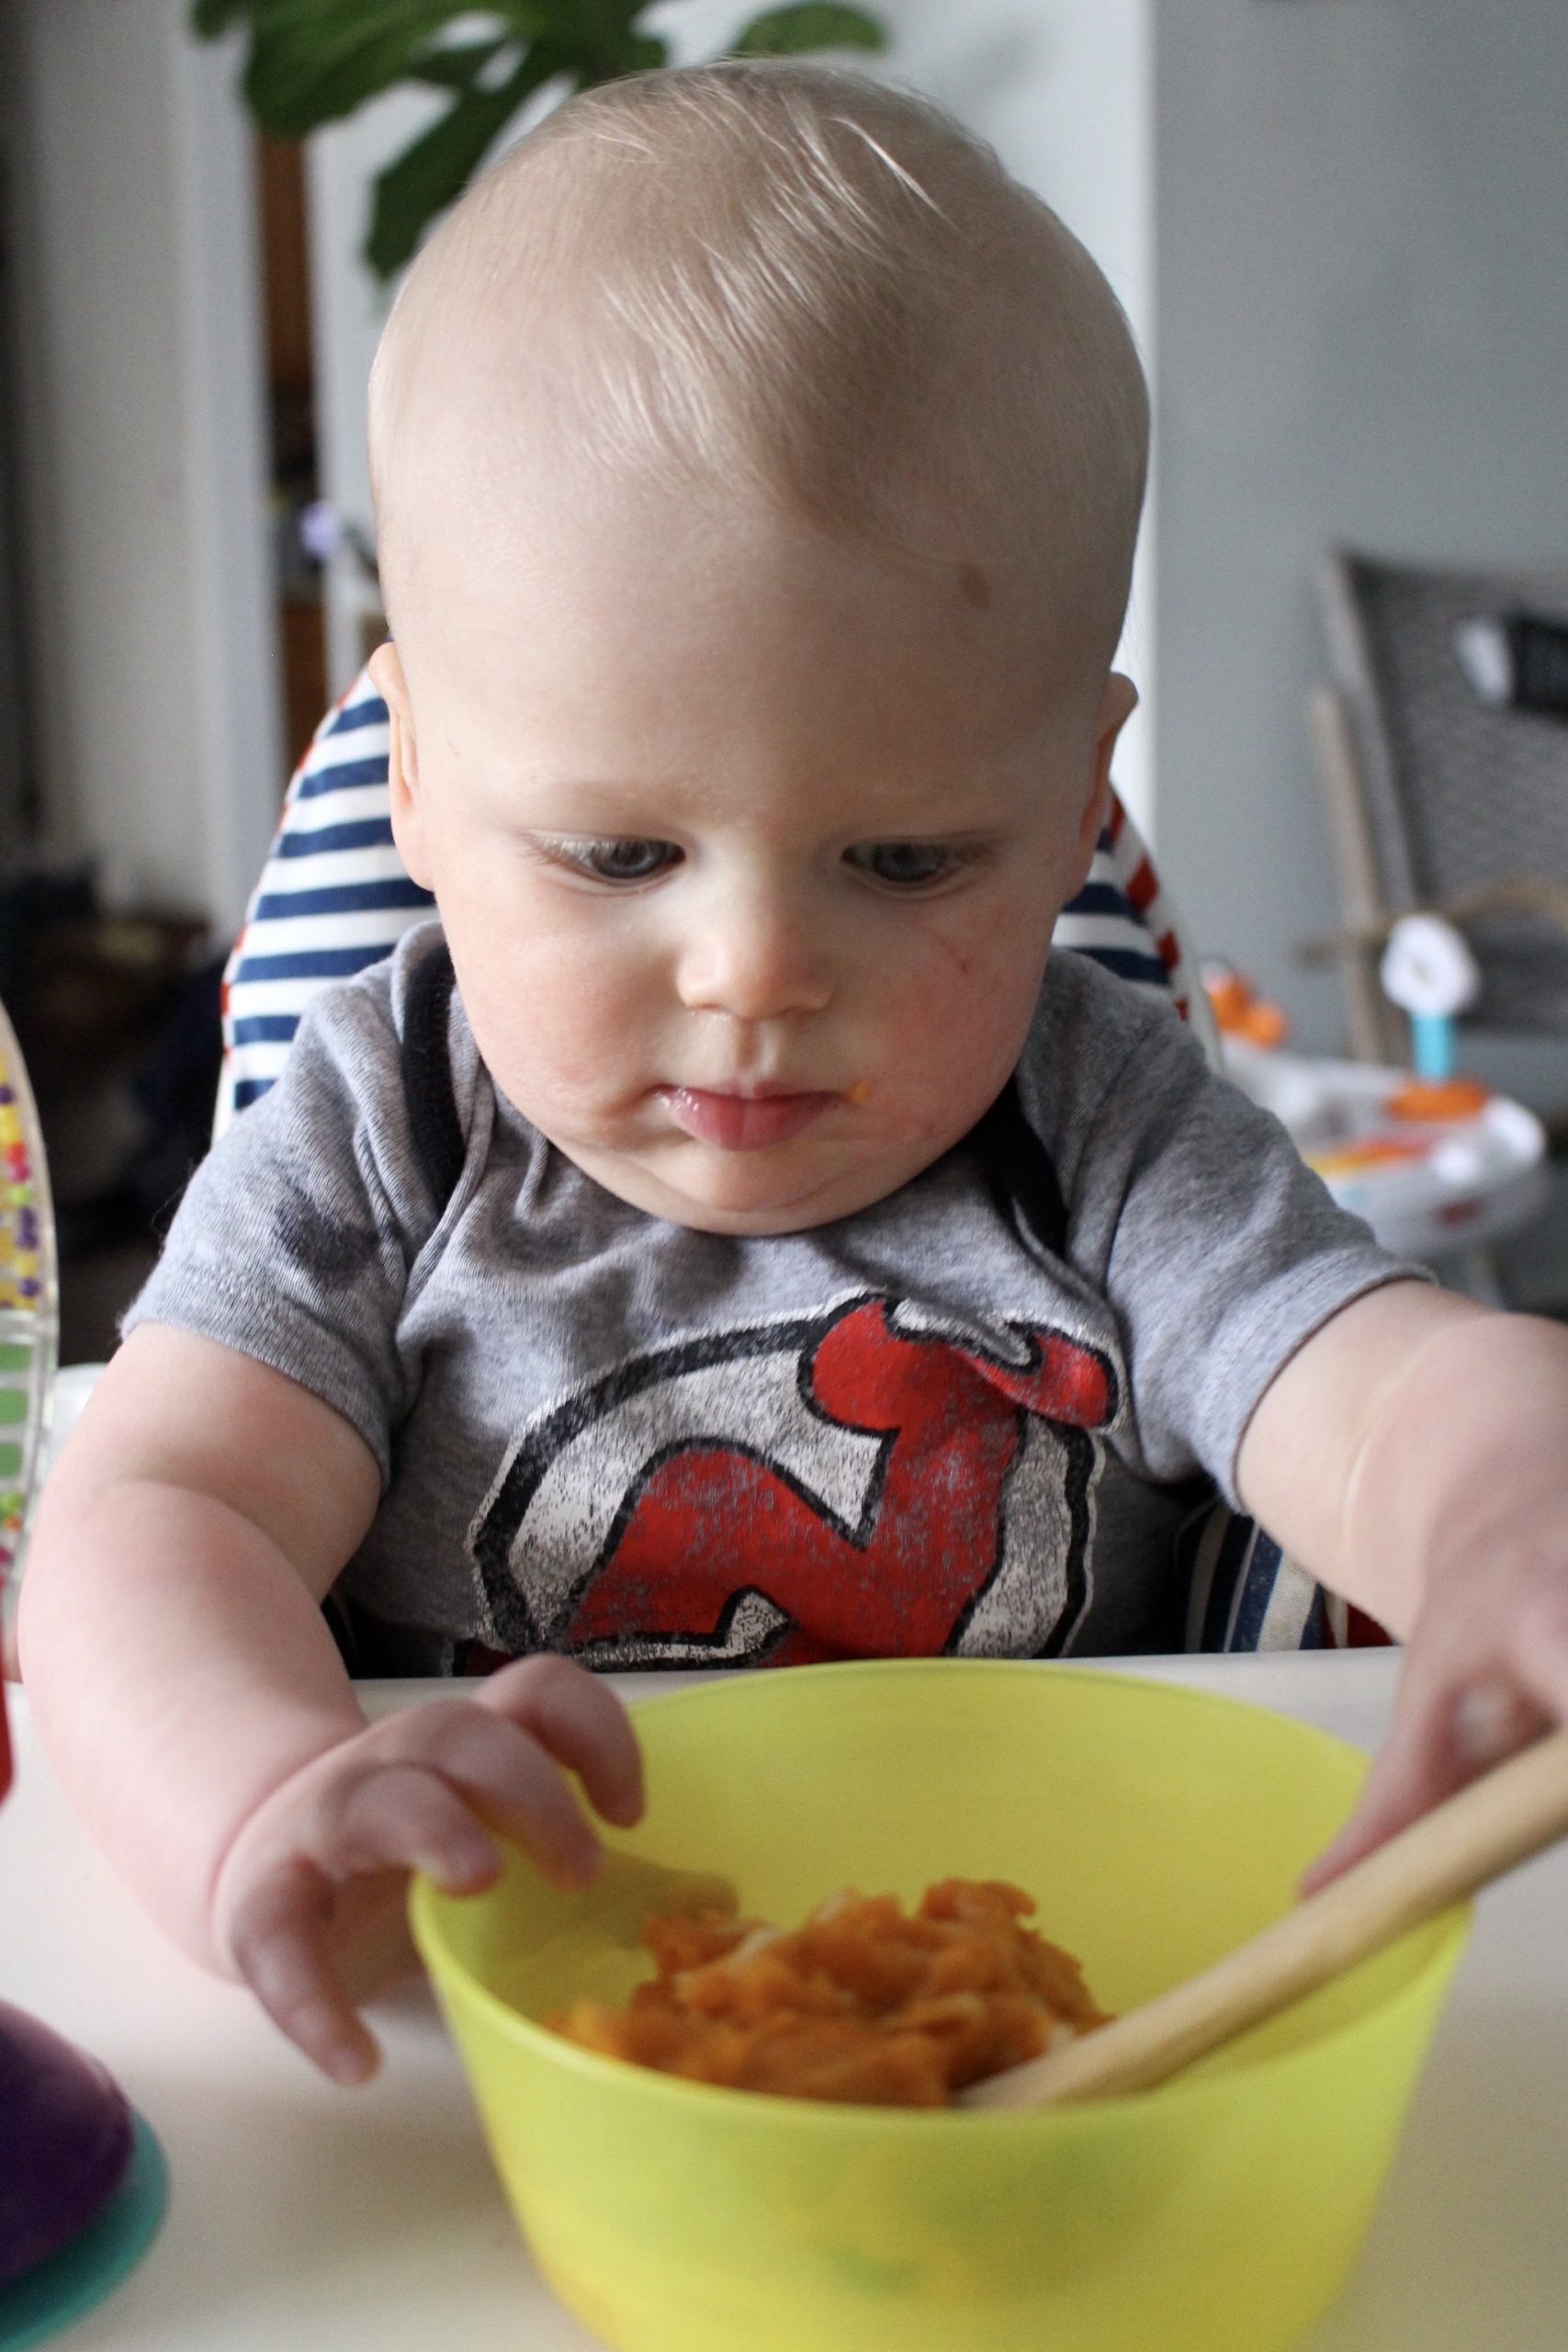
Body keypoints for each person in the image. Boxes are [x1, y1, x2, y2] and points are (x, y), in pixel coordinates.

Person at [20, 62, 1568, 2089]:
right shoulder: (382, 1121)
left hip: (1064, 2024)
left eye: (908, 857)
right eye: (616, 852)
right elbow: (153, 1523)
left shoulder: (1088, 1116)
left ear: (1071, 796)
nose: (752, 972)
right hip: (499, 2031)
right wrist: (257, 1801)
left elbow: (1375, 1400)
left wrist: (1510, 1502)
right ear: (408, 779)